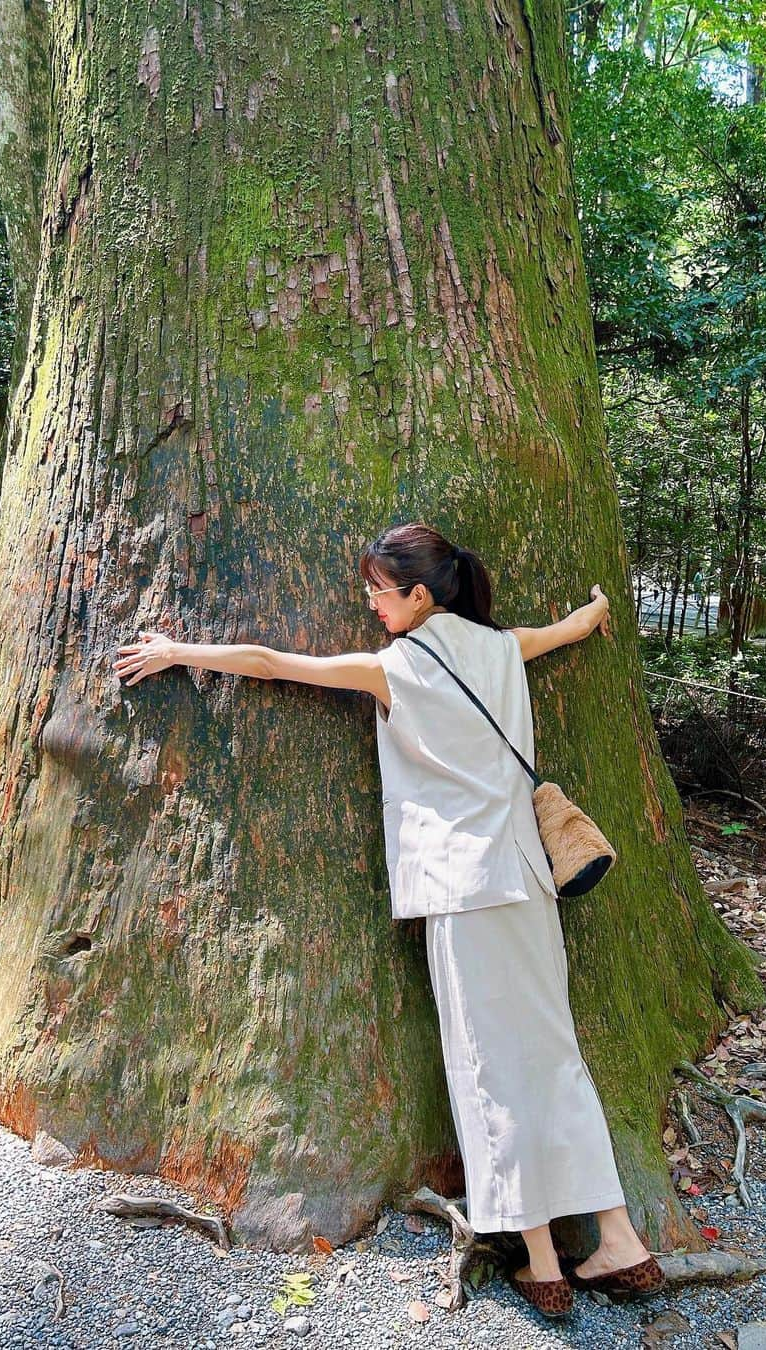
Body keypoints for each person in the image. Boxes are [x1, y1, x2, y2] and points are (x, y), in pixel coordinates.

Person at [113, 521, 665, 1321]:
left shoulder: (396, 669)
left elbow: (271, 665)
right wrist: (596, 613)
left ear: (417, 593)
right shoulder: (499, 647)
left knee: (488, 1067)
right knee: (551, 1055)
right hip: (526, 881)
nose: (369, 604)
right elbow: (560, 633)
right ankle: (617, 1236)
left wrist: (177, 652)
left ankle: (543, 1259)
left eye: (377, 590)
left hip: (463, 891)